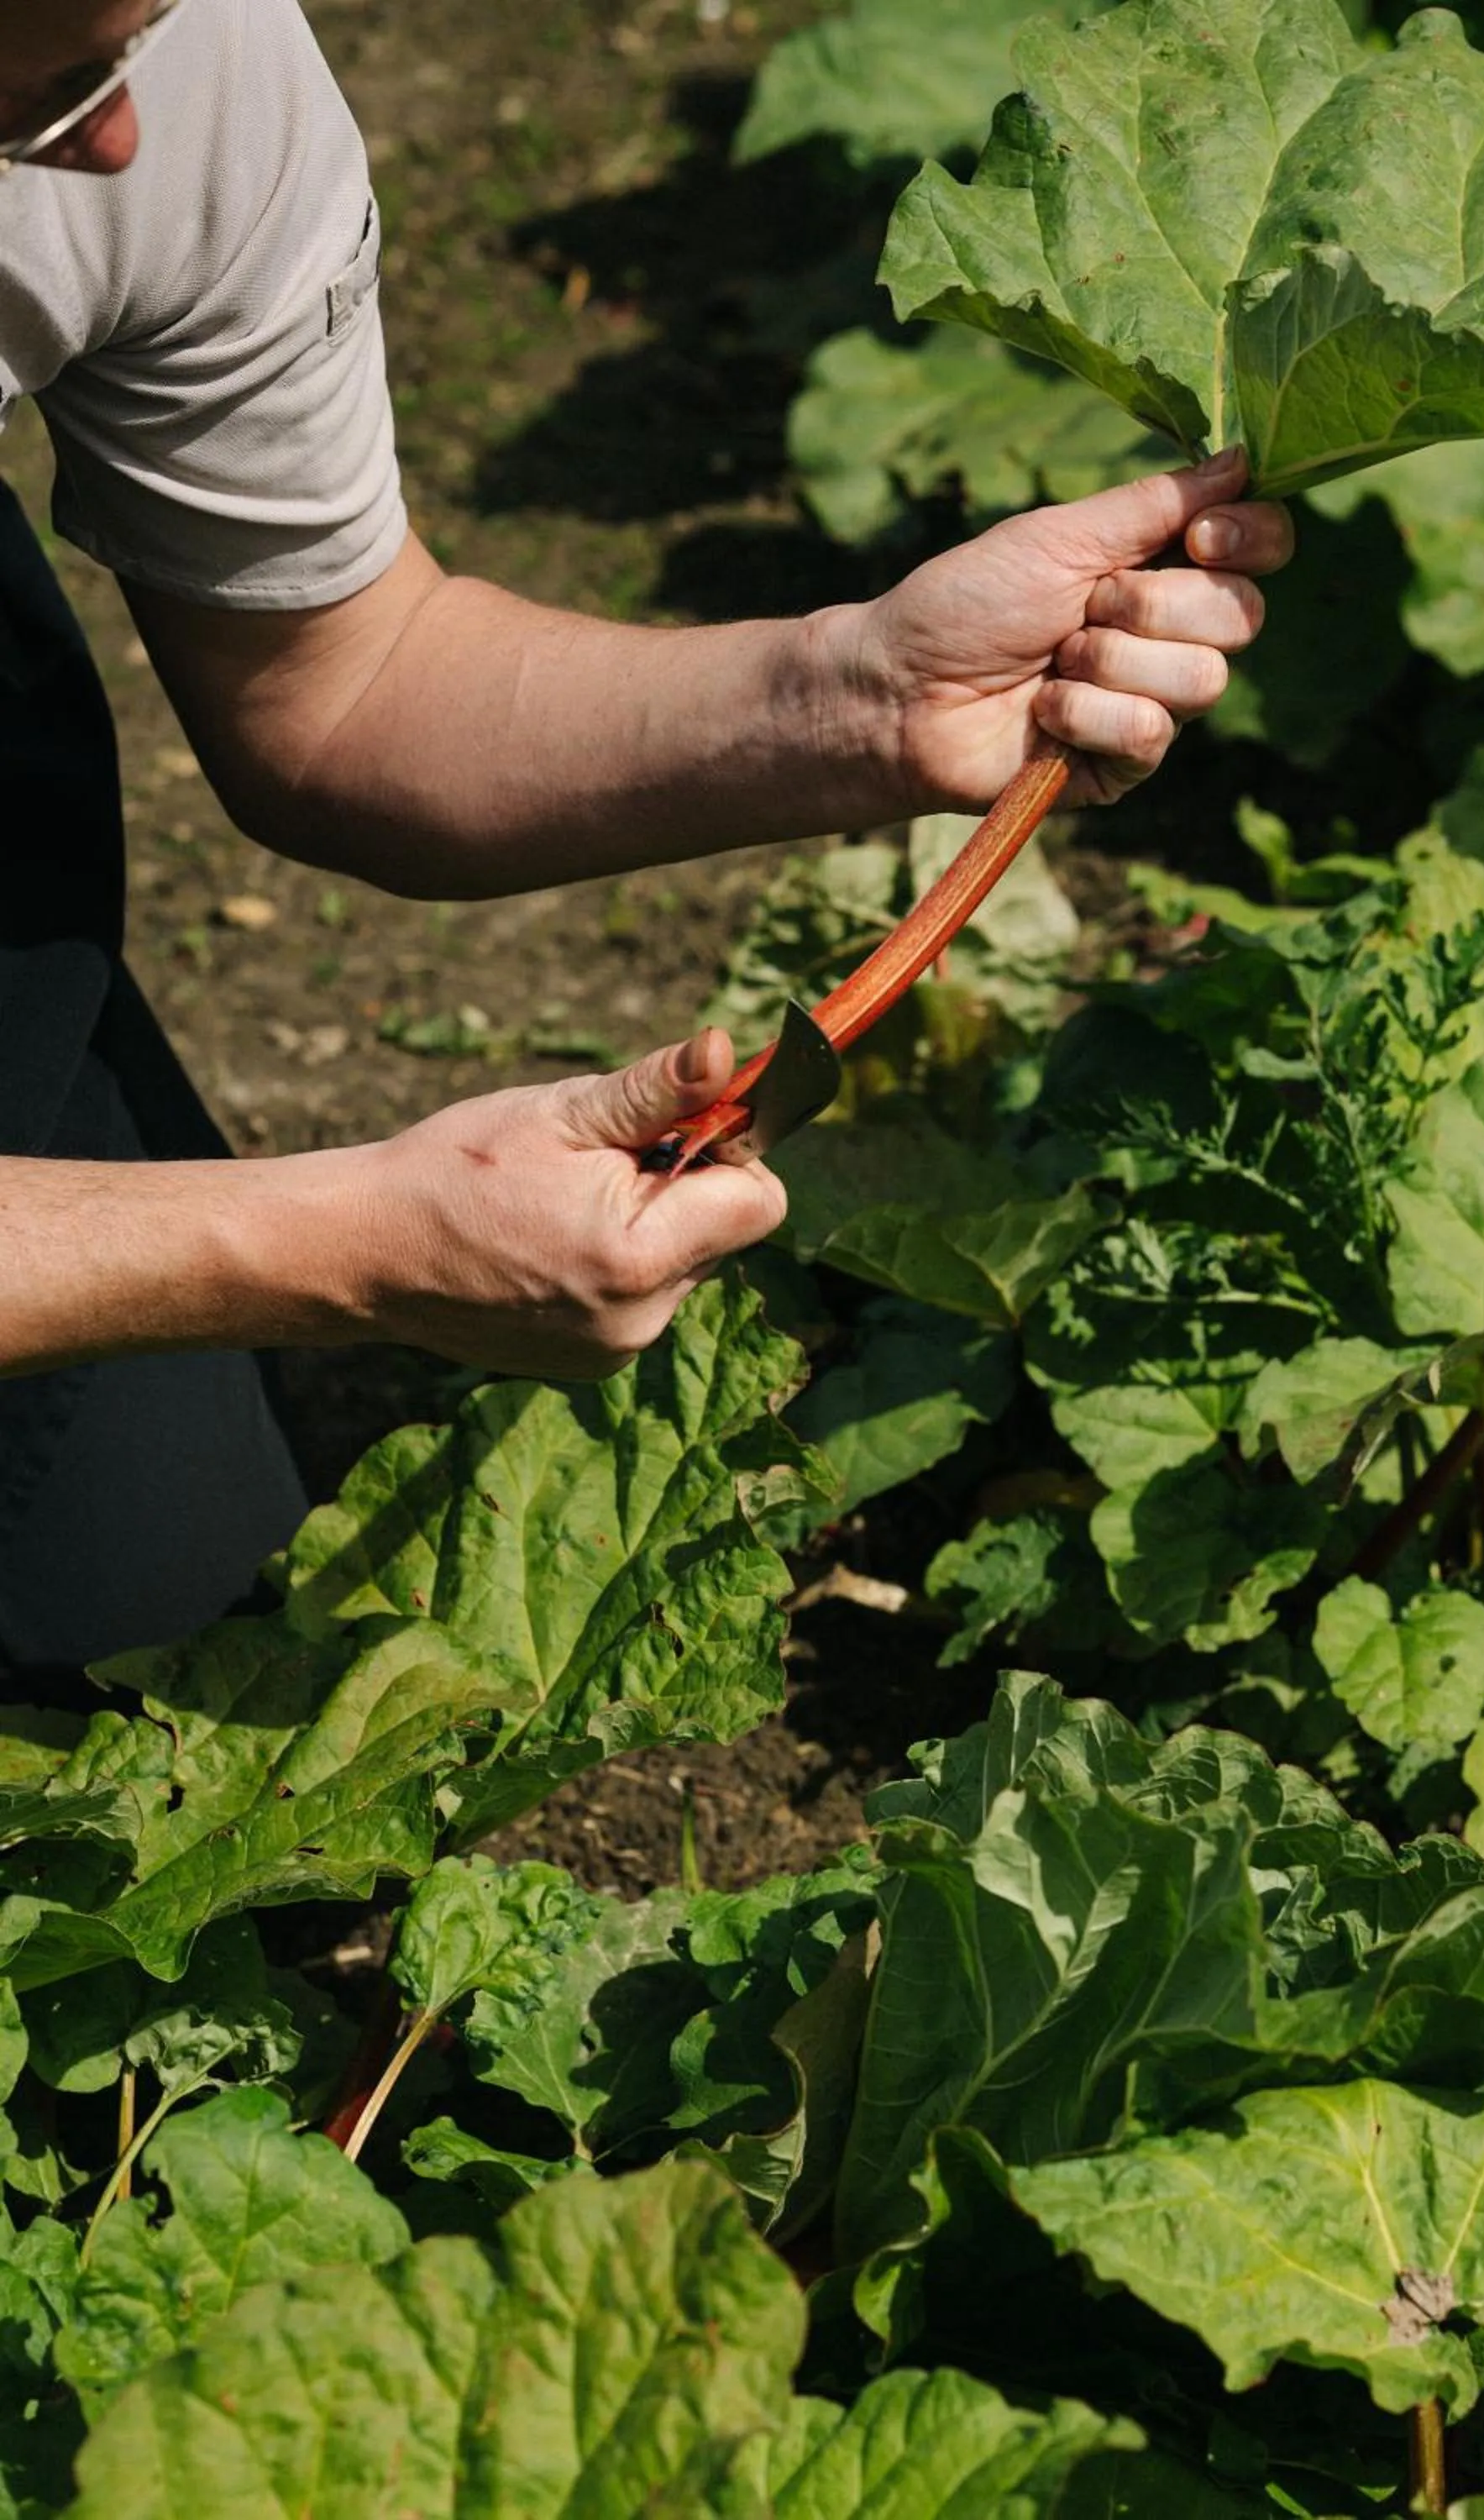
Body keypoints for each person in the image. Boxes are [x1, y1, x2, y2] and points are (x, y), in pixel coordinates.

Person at [0, 0, 1294, 1674]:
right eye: (40, 67)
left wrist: (858, 697)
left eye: (128, 39)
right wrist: (338, 1246)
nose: (115, 135)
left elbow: (344, 686)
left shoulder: (179, 75)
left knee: (150, 1643)